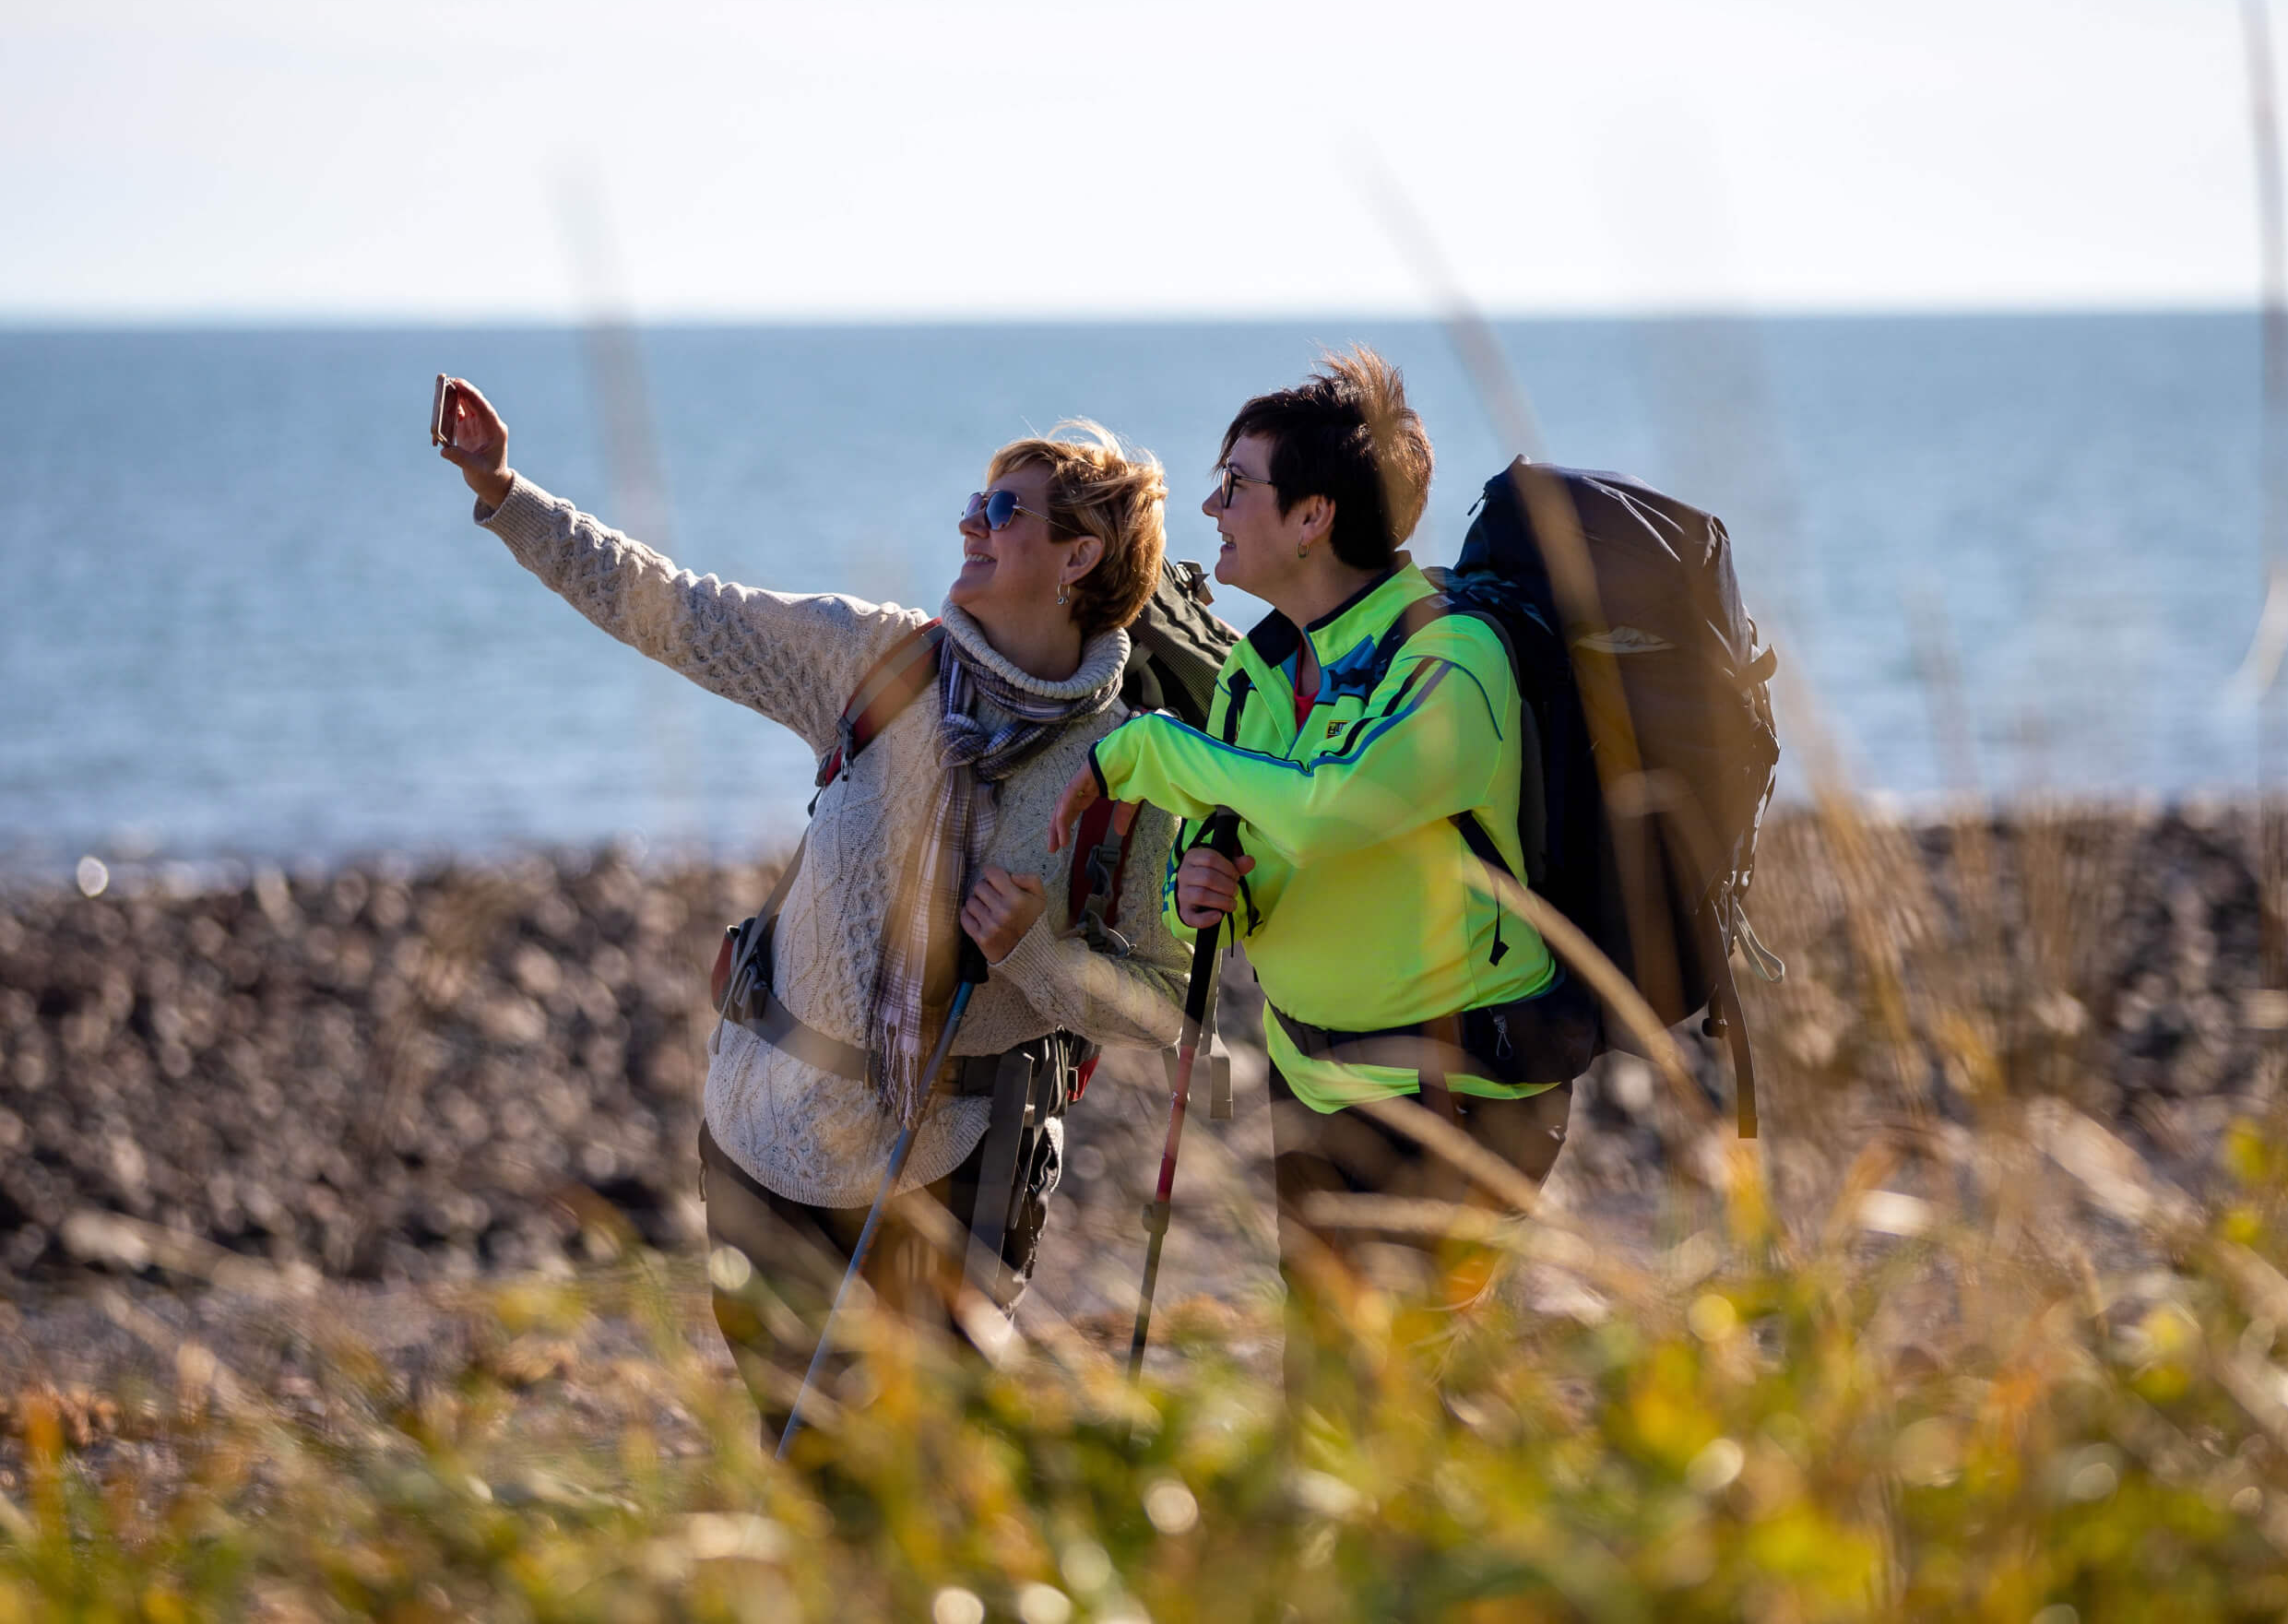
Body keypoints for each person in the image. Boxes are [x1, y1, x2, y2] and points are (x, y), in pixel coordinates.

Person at [433, 379, 1189, 1442]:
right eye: (974, 504)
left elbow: (1161, 1009)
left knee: (919, 1480)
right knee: (803, 1464)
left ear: (1079, 558)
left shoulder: (1132, 766)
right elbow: (673, 611)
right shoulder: (875, 660)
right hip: (761, 1133)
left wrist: (1042, 957)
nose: (970, 525)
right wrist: (506, 493)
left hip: (949, 1171)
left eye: (1003, 511)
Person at [1049, 349, 1591, 1385]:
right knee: (1328, 1397)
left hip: (1461, 1086)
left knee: (1404, 1389)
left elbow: (1336, 812)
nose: (1210, 505)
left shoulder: (1453, 656)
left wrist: (1149, 750)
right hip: (1311, 1079)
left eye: (1237, 485)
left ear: (1314, 516)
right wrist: (1206, 889)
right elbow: (1253, 846)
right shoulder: (1259, 668)